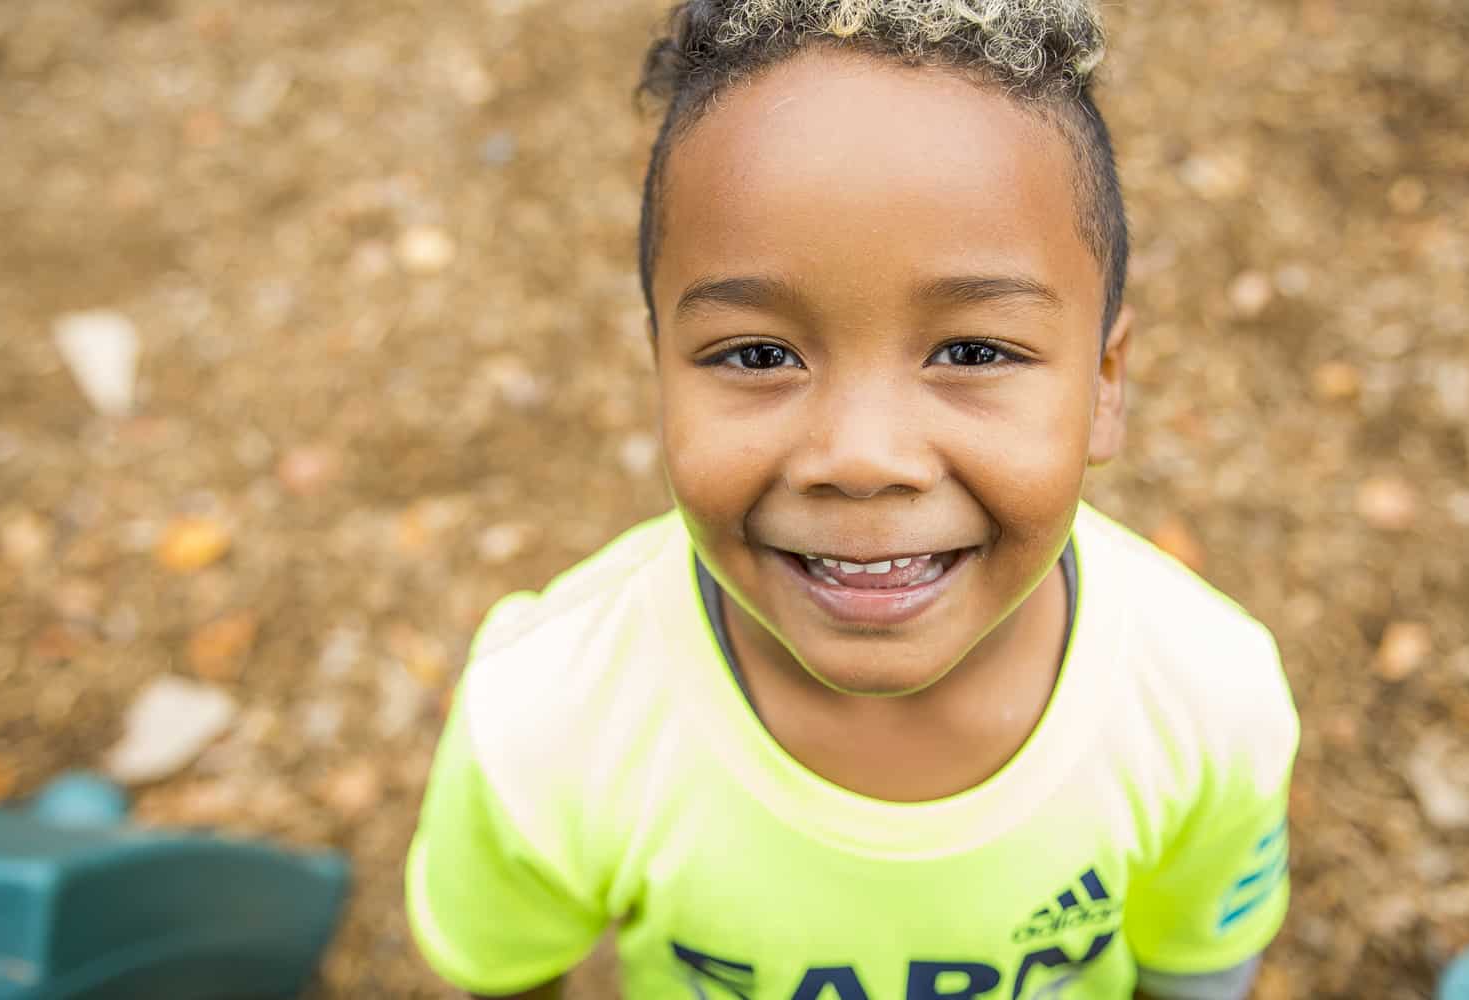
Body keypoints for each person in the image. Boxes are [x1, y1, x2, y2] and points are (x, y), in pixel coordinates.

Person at [406, 2, 1300, 998]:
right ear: (657, 369)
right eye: (757, 354)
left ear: (1104, 383)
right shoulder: (547, 715)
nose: (862, 458)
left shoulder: (1210, 699)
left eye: (972, 351)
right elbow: (500, 975)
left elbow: (1196, 975)